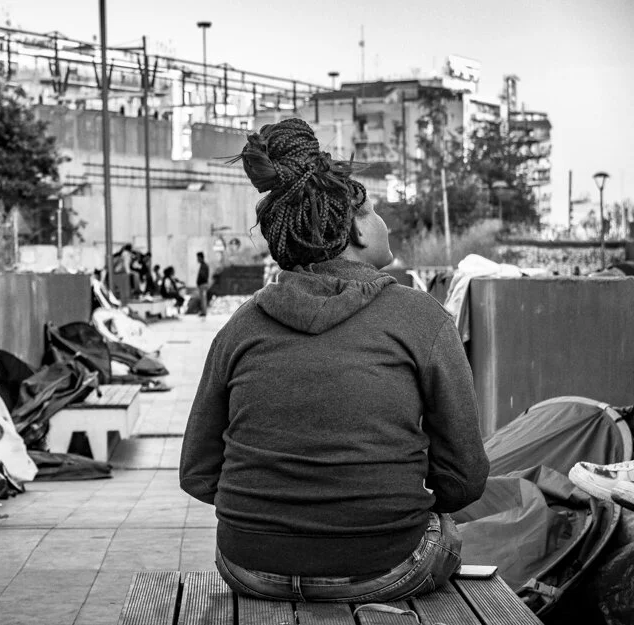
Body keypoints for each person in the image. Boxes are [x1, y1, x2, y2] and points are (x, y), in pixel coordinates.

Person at [180, 118, 489, 603]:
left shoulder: (240, 326)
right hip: (383, 568)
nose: (384, 221)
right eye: (377, 211)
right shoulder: (421, 318)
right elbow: (466, 476)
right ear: (358, 231)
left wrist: (274, 515)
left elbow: (197, 473)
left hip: (248, 567)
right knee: (446, 533)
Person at [195, 251, 210, 317]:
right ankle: (203, 311)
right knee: (202, 299)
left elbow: (203, 276)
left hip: (203, 284)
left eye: (198, 258)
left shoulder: (204, 266)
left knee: (203, 299)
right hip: (202, 284)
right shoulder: (203, 265)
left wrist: (200, 280)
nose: (197, 259)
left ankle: (204, 312)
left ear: (201, 257)